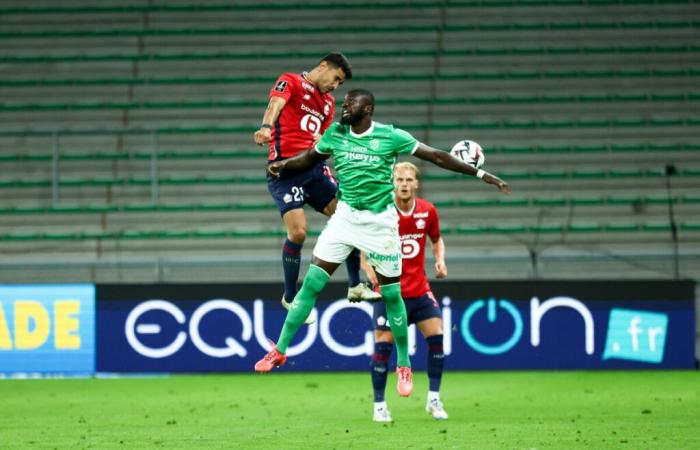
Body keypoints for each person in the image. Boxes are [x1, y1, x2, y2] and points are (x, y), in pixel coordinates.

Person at [254, 89, 510, 400]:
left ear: (368, 109)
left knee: (391, 295)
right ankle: (279, 350)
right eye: (345, 101)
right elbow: (310, 158)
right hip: (345, 218)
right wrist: (283, 167)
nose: (345, 105)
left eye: (351, 102)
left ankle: (403, 363)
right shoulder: (335, 133)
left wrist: (480, 173)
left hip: (381, 225)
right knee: (310, 285)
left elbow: (437, 156)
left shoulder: (391, 136)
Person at [253, 53, 380, 324]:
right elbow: (275, 103)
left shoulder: (328, 103)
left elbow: (321, 139)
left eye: (341, 83)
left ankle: (356, 284)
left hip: (313, 170)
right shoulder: (291, 82)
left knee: (350, 216)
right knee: (298, 233)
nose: (336, 86)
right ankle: (290, 296)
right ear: (323, 66)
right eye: (336, 79)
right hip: (284, 170)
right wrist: (266, 127)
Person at [359, 162, 449, 422]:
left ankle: (433, 399)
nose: (404, 184)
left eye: (409, 180)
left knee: (437, 337)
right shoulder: (381, 211)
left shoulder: (427, 211)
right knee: (383, 347)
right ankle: (379, 406)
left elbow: (436, 239)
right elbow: (362, 245)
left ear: (416, 184)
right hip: (389, 293)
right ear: (393, 183)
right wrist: (367, 269)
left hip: (419, 290)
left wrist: (440, 260)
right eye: (399, 180)